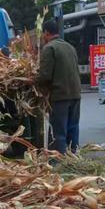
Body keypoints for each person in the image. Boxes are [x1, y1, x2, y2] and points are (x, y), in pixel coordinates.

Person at [38, 20, 82, 154]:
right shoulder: (70, 47)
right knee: (73, 127)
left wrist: (34, 82)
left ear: (46, 33)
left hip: (60, 95)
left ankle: (60, 160)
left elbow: (45, 75)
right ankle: (73, 156)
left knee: (59, 131)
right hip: (76, 94)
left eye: (42, 34)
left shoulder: (49, 48)